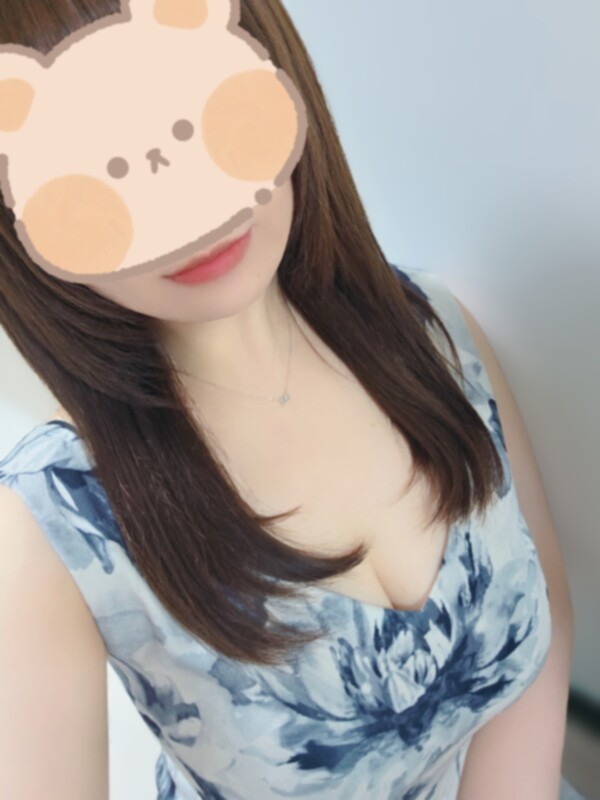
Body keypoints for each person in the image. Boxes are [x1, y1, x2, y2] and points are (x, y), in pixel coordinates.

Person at [0, 1, 581, 798]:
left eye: (185, 117)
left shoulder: (436, 331)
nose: (187, 207)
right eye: (99, 163)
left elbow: (543, 630)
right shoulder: (49, 523)